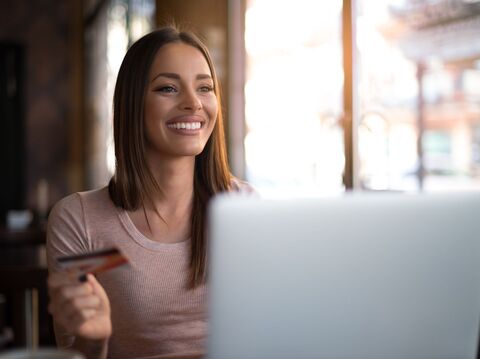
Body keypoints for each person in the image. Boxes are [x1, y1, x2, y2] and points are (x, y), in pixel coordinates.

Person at [47, 26, 253, 359]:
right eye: (168, 88)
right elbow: (74, 351)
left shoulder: (245, 209)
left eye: (205, 87)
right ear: (133, 103)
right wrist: (93, 341)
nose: (193, 103)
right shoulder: (80, 219)